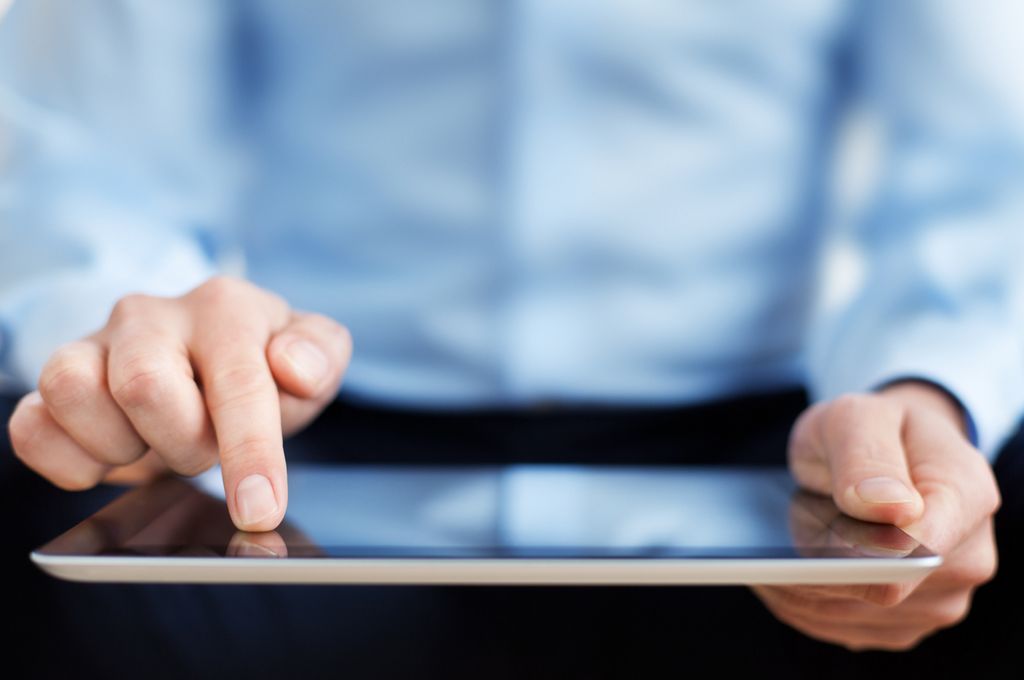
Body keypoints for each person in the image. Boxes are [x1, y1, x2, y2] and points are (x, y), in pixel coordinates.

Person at [2, 0, 1023, 655]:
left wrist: (922, 393)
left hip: (764, 459)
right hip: (296, 443)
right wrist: (144, 350)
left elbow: (982, 168)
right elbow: (95, 153)